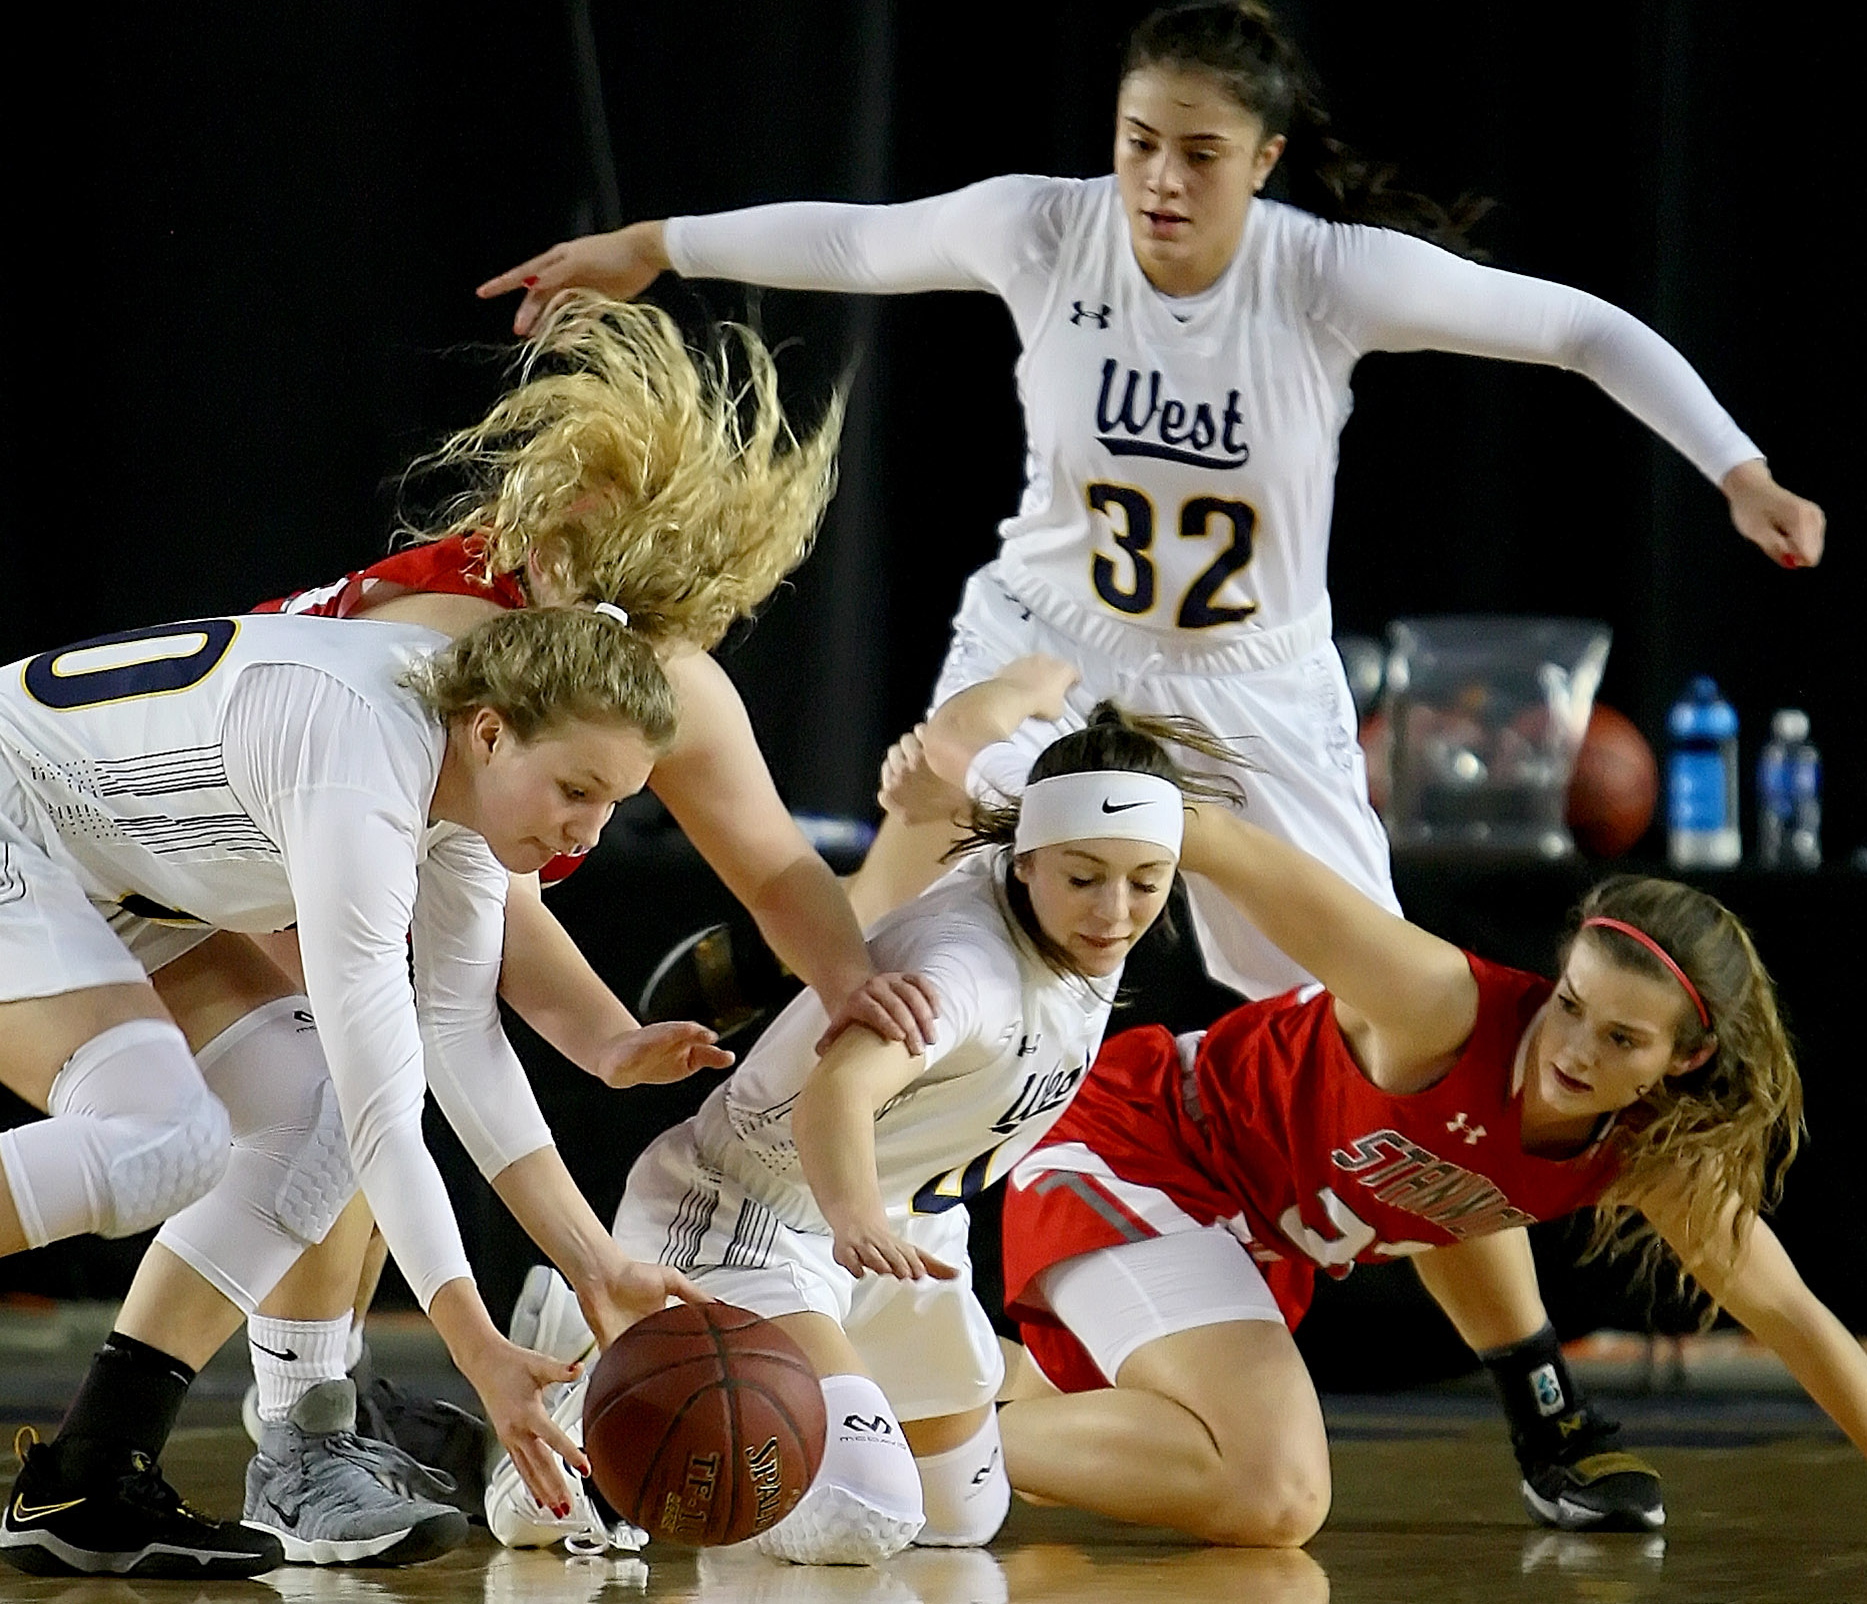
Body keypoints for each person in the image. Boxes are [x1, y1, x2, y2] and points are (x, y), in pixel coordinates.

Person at [479, 0, 1826, 993]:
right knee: (912, 937)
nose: (1162, 180)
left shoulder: (1325, 276)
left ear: (1265, 157)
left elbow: (1584, 328)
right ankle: (781, 1055)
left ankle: (1525, 1366)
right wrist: (651, 245)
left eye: (1199, 152)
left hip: (1253, 676)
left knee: (1379, 1012)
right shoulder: (1046, 228)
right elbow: (857, 239)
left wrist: (1738, 465)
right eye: (1138, 144)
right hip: (1049, 636)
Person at [115, 294, 946, 1567]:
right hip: (190, 846)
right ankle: (298, 1428)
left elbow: (769, 862)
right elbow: (476, 926)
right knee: (343, 1103)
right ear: (555, 534)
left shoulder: (646, 669)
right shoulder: (447, 650)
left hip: (262, 865)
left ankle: (297, 1419)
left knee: (346, 1109)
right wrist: (598, 1042)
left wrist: (846, 980)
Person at [993, 803, 1867, 1551]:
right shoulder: (1437, 1003)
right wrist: (1066, 802)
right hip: (1138, 1150)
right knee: (1276, 1489)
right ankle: (890, 1445)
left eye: (1619, 1039)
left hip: (1238, 1232)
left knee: (1084, 1456)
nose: (1573, 1051)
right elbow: (1222, 840)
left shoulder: (1651, 1151)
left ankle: (921, 1377)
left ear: (1680, 1062)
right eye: (1569, 1004)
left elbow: (1788, 1310)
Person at [0, 608, 710, 1578]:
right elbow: (395, 1110)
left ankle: (87, 1474)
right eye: (576, 789)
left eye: (613, 804)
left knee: (314, 1114)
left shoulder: (458, 772)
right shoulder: (360, 763)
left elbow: (464, 1041)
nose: (586, 830)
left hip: (101, 861)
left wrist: (595, 1260)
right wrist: (477, 1344)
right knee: (160, 1139)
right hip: (22, 818)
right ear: (494, 731)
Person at [486, 678, 1243, 1564]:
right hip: (760, 1212)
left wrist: (1045, 675)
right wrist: (853, 1220)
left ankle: (678, 1359)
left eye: (1146, 882)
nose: (1114, 910)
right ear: (1028, 859)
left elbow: (969, 733)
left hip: (902, 1229)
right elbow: (833, 1098)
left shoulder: (1059, 850)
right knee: (857, 1521)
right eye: (1085, 878)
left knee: (960, 1519)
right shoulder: (966, 971)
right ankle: (594, 1393)